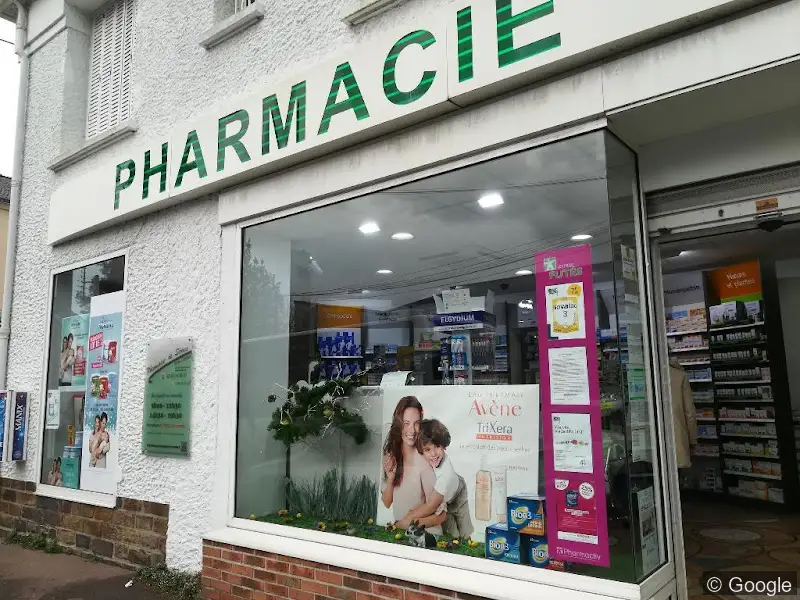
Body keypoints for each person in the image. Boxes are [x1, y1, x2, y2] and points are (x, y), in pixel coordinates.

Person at [381, 396, 446, 533]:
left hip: (424, 534)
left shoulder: (424, 461)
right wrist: (391, 479)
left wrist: (408, 522)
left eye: (416, 423)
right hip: (402, 532)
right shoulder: (391, 455)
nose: (412, 430)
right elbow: (386, 503)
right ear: (398, 425)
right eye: (406, 423)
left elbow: (441, 515)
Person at [402, 419, 474, 538]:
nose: (434, 454)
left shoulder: (446, 475)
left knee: (464, 527)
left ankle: (467, 539)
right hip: (443, 494)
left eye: (437, 446)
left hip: (457, 491)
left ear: (443, 445)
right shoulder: (423, 459)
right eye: (427, 449)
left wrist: (409, 518)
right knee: (450, 530)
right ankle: (455, 539)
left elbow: (431, 505)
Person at [669, 359, 696, 468]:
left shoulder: (641, 376)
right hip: (677, 440)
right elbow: (689, 413)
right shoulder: (680, 375)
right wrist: (692, 440)